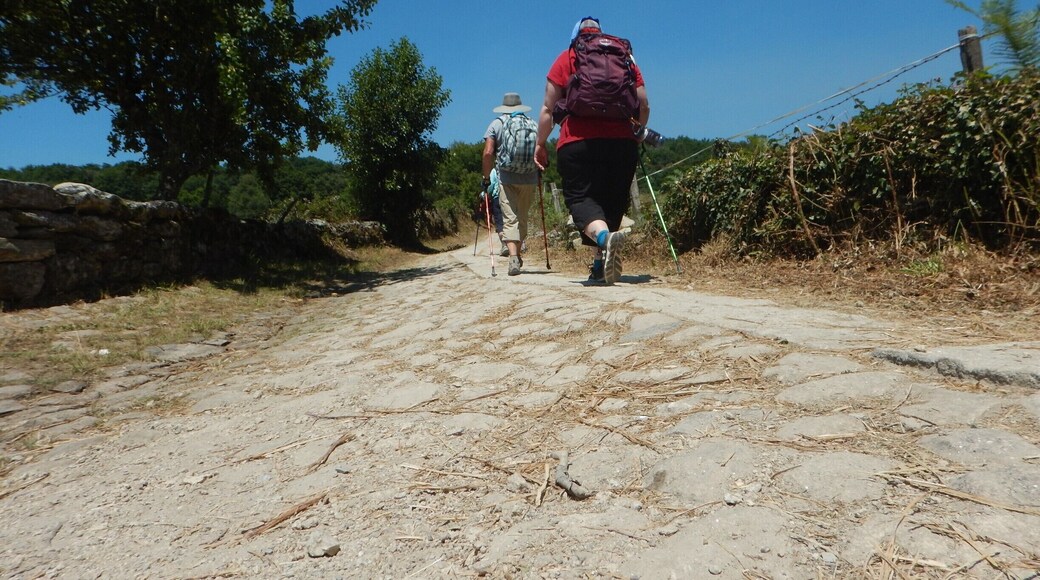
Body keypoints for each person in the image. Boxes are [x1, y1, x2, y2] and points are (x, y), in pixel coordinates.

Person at [534, 17, 650, 285]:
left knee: (582, 199)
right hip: (622, 142)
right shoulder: (626, 58)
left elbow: (547, 110)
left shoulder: (568, 57)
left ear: (577, 36)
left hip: (578, 142)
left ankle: (603, 240)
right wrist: (638, 133)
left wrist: (540, 144)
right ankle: (600, 264)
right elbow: (643, 104)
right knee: (612, 202)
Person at [483, 93, 539, 276]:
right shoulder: (532, 123)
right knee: (522, 217)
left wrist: (486, 177)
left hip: (507, 178)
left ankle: (513, 257)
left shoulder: (496, 124)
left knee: (510, 217)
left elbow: (488, 152)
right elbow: (541, 149)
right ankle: (519, 252)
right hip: (529, 177)